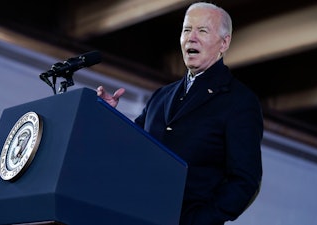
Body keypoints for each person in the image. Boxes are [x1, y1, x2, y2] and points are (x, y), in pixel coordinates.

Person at [97, 2, 263, 225]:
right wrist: (109, 117)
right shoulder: (161, 96)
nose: (191, 38)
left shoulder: (239, 101)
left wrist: (199, 220)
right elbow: (133, 146)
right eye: (186, 30)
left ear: (224, 43)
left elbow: (245, 181)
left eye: (202, 31)